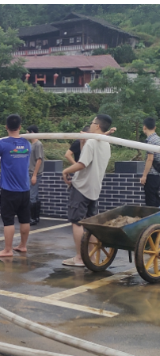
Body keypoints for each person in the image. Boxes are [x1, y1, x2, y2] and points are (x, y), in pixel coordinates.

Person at [61, 114, 113, 267]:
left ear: (97, 126)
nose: (90, 125)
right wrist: (83, 142)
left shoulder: (92, 142)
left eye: (92, 123)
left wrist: (65, 171)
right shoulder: (106, 143)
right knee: (90, 224)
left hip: (82, 187)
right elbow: (89, 159)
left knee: (77, 222)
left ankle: (79, 257)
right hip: (94, 188)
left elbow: (82, 164)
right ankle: (91, 256)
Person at [0, 114, 32, 258]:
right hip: (25, 189)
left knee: (8, 220)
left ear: (6, 127)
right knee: (24, 219)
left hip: (9, 190)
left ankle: (7, 250)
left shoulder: (2, 144)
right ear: (20, 127)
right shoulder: (27, 144)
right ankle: (23, 245)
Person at [140, 117, 160, 207]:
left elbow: (150, 159)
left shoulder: (150, 141)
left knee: (150, 202)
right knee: (156, 199)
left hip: (152, 175)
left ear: (144, 127)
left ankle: (152, 220)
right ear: (155, 127)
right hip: (158, 174)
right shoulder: (158, 139)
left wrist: (144, 176)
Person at [27, 125, 44, 226]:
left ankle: (32, 218)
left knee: (32, 196)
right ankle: (36, 217)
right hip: (30, 173)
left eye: (27, 132)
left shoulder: (38, 144)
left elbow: (39, 159)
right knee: (35, 195)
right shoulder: (31, 144)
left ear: (32, 132)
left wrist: (34, 175)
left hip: (34, 173)